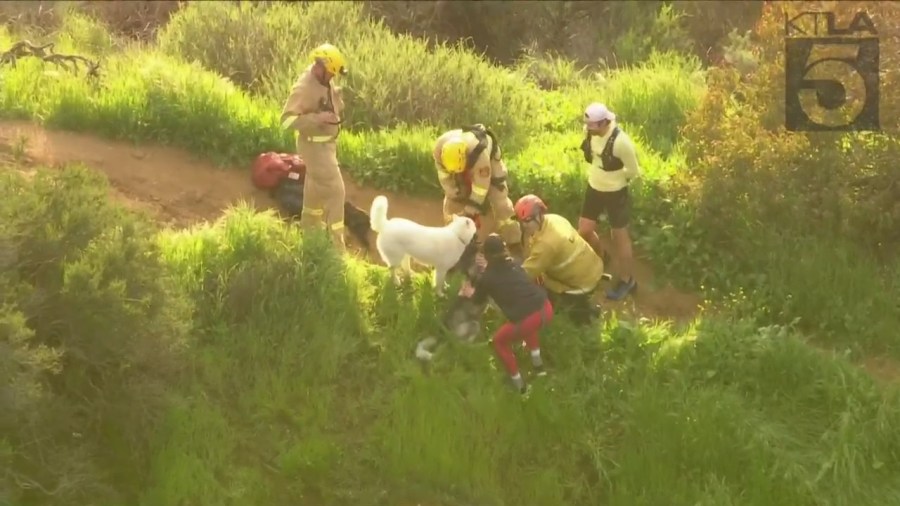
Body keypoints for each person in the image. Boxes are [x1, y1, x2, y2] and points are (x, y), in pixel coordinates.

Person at [459, 234, 553, 394]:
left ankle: (521, 388)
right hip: (546, 308)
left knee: (499, 342)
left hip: (529, 318)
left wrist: (468, 292)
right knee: (528, 326)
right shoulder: (516, 262)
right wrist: (487, 267)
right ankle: (539, 368)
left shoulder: (487, 278)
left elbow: (477, 300)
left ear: (486, 255)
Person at [280, 43, 349, 250]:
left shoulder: (322, 79)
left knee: (314, 192)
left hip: (325, 147)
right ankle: (337, 251)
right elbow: (285, 121)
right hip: (315, 150)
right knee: (336, 192)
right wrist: (316, 119)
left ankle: (309, 236)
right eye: (331, 74)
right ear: (321, 67)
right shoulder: (304, 87)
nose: (332, 78)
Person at [577, 102, 642, 301]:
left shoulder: (622, 142)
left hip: (616, 192)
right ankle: (600, 257)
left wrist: (614, 177)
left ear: (604, 123)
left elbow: (633, 171)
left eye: (593, 127)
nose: (589, 130)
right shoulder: (590, 132)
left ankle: (627, 280)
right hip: (594, 187)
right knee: (584, 230)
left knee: (619, 236)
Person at [514, 194, 605, 326]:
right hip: (592, 266)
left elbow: (526, 274)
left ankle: (583, 316)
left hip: (581, 284)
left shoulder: (546, 244)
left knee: (547, 296)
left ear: (539, 215)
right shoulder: (554, 219)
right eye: (520, 220)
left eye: (528, 220)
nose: (524, 225)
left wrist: (507, 278)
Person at [433, 124, 522, 253]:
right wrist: (454, 192)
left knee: (500, 202)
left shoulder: (480, 156)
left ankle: (514, 243)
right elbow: (445, 179)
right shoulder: (439, 151)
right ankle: (454, 237)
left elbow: (481, 188)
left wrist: (471, 210)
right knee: (452, 202)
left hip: (488, 163)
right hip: (457, 166)